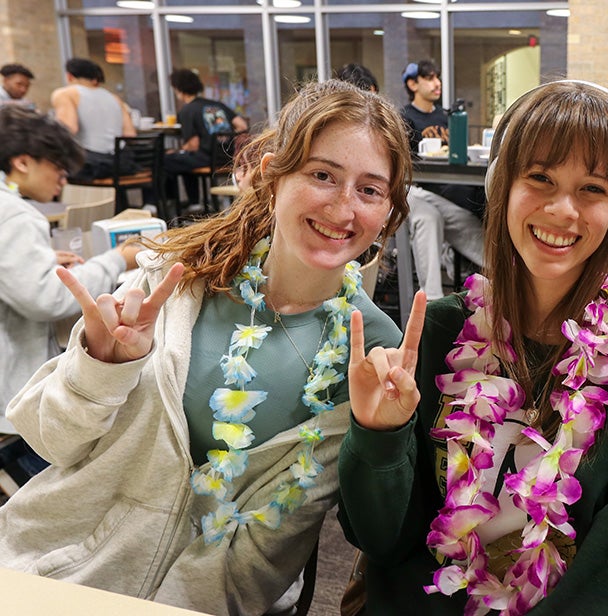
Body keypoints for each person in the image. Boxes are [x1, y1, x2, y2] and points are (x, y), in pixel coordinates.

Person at [0, 79, 412, 614]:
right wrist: (99, 369)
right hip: (45, 574)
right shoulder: (171, 282)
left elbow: (266, 555)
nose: (342, 208)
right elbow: (48, 439)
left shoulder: (372, 352)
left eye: (370, 189)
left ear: (388, 213)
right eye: (322, 175)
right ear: (272, 176)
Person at [338, 80, 608, 614]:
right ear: (502, 186)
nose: (563, 210)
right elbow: (381, 542)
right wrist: (379, 436)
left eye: (593, 189)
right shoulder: (437, 333)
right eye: (540, 178)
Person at [0, 105, 140, 477]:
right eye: (58, 169)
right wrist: (117, 260)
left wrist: (40, 258)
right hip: (9, 388)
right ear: (24, 162)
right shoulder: (14, 214)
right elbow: (47, 298)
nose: (62, 180)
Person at [399, 59, 486, 301]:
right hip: (414, 189)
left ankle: (501, 276)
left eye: (438, 77)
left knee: (472, 213)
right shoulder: (405, 118)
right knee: (430, 216)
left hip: (446, 190)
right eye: (430, 78)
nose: (437, 83)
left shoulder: (445, 116)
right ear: (413, 84)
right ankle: (431, 302)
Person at [165, 68, 248, 207]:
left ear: (178, 89)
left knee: (167, 160)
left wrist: (177, 150)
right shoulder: (217, 105)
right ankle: (197, 203)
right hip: (228, 156)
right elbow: (242, 125)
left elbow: (193, 145)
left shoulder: (187, 110)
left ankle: (188, 203)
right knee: (184, 159)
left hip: (207, 158)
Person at [51, 58, 137, 182]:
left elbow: (68, 129)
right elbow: (130, 134)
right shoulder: (114, 98)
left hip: (90, 166)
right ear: (95, 79)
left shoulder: (66, 94)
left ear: (69, 76)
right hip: (122, 164)